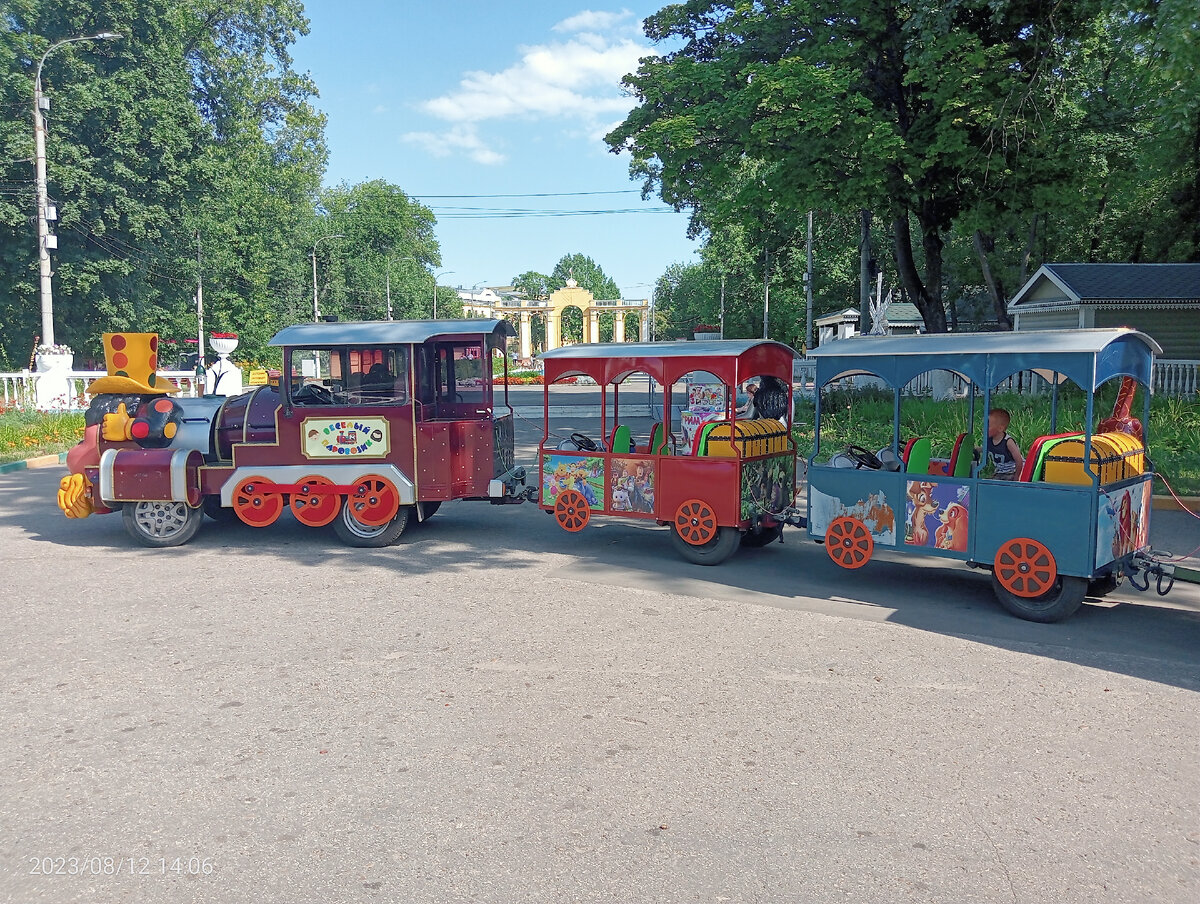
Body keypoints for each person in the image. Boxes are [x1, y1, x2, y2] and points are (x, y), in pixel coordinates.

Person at [986, 408, 1025, 480]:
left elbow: (1019, 460)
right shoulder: (989, 440)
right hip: (1000, 472)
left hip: (1012, 471)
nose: (984, 428)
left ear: (1000, 428)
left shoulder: (1008, 442)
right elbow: (985, 448)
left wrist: (1017, 477)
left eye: (988, 426)